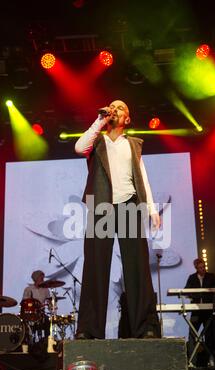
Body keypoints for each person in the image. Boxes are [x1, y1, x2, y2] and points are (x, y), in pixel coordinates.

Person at [74, 99, 161, 339]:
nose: (116, 109)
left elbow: (142, 177)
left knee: (137, 267)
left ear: (127, 119)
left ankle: (146, 327)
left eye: (121, 107)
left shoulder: (132, 144)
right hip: (101, 205)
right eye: (113, 106)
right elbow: (79, 147)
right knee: (95, 266)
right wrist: (100, 120)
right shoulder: (97, 140)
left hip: (129, 204)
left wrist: (152, 209)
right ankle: (89, 330)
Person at [185, 258, 215, 366]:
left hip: (207, 311)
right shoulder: (192, 278)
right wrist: (196, 295)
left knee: (209, 335)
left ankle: (210, 360)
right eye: (200, 268)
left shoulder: (211, 276)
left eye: (203, 267)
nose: (203, 269)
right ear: (196, 268)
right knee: (192, 334)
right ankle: (192, 361)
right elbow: (186, 291)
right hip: (196, 310)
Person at [21, 270, 51, 347]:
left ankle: (47, 342)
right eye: (41, 278)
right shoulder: (28, 289)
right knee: (24, 323)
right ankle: (26, 343)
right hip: (29, 313)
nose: (43, 280)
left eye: (43, 278)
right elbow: (25, 302)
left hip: (41, 313)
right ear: (36, 278)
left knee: (47, 321)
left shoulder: (46, 290)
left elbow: (49, 302)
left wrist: (51, 306)